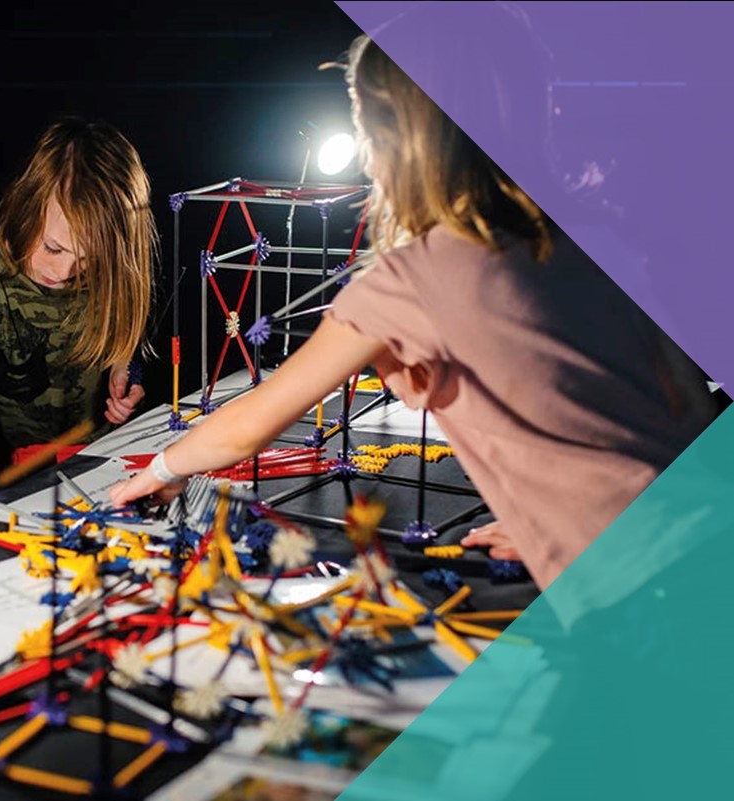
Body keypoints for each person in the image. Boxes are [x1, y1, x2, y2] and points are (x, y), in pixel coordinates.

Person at [108, 29, 716, 595]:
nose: (368, 162)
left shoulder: (412, 282)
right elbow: (683, 406)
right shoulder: (592, 233)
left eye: (366, 133)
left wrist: (160, 468)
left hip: (643, 589)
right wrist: (558, 522)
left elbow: (250, 424)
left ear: (400, 142)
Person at [0, 116, 156, 528]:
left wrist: (128, 369)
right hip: (0, 484)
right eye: (53, 247)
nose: (66, 271)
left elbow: (131, 339)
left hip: (97, 474)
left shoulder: (116, 273)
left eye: (88, 259)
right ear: (28, 203)